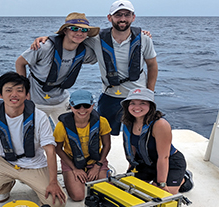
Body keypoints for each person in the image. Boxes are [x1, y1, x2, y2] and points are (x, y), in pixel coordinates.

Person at [31, 1, 158, 136]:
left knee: (140, 132)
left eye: (127, 15)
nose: (122, 19)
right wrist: (49, 38)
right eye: (118, 15)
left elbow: (152, 65)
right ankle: (103, 157)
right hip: (110, 95)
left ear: (133, 17)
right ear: (109, 18)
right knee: (103, 133)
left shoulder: (144, 39)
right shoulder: (97, 38)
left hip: (137, 95)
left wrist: (149, 93)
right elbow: (71, 37)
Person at [0, 72, 66, 207]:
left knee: (57, 204)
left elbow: (50, 151)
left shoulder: (39, 116)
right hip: (5, 162)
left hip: (34, 164)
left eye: (19, 90)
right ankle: (5, 186)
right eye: (8, 90)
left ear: (27, 95)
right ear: (0, 95)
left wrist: (52, 182)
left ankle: (37, 185)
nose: (14, 94)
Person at [15, 12, 99, 126]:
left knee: (72, 133)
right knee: (35, 138)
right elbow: (20, 63)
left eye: (84, 30)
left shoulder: (85, 52)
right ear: (65, 30)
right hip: (36, 101)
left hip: (62, 100)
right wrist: (23, 90)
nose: (79, 33)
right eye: (74, 29)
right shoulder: (45, 47)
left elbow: (105, 53)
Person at [121, 88, 193, 194]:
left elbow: (164, 157)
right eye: (132, 103)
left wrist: (161, 183)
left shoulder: (160, 125)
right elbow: (133, 150)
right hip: (146, 162)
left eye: (142, 103)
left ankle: (184, 178)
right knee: (129, 188)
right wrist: (131, 171)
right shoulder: (128, 123)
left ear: (151, 106)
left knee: (159, 193)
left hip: (170, 162)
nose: (136, 107)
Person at [54, 90, 112, 201]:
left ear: (92, 105)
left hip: (96, 160)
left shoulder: (102, 122)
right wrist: (75, 169)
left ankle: (94, 174)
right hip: (72, 161)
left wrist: (98, 165)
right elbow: (58, 148)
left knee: (106, 194)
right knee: (78, 196)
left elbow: (107, 144)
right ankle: (75, 176)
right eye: (77, 106)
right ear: (71, 106)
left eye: (86, 106)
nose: (82, 110)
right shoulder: (61, 126)